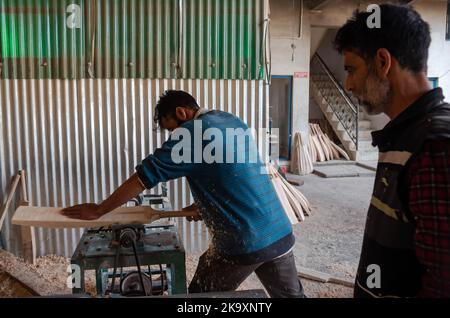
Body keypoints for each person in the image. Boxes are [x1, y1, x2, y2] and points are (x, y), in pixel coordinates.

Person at [62, 90, 306, 298]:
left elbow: (144, 176)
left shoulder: (191, 133)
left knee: (199, 296)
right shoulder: (230, 120)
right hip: (278, 231)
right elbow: (237, 173)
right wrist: (205, 206)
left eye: (171, 130)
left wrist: (99, 210)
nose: (173, 139)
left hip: (244, 239)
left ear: (181, 113)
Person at [334, 4, 450, 297]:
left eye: (351, 69)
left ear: (383, 61)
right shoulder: (403, 136)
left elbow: (443, 281)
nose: (347, 84)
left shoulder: (434, 145)